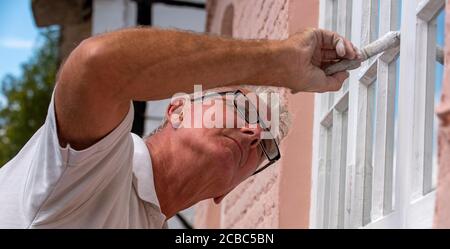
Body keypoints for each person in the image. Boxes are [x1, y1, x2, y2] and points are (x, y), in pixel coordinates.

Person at [0, 27, 360, 228]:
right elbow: (97, 67)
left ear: (228, 190)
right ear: (177, 110)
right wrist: (278, 61)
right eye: (241, 108)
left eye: (267, 144)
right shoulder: (92, 167)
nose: (254, 134)